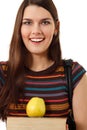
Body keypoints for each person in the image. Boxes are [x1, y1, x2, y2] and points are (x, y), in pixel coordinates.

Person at [0, 0, 87, 129]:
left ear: (56, 27)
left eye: (45, 22)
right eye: (28, 23)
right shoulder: (3, 73)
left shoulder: (74, 75)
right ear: (19, 27)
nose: (36, 31)